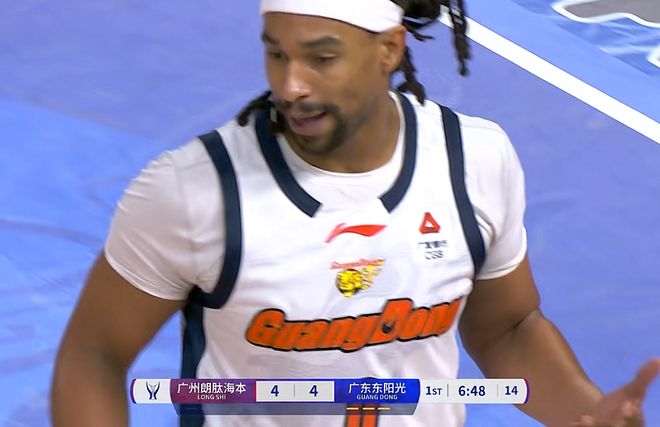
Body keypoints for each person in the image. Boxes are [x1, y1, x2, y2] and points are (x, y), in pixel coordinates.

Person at [51, 0, 659, 426]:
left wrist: (586, 413)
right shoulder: (195, 191)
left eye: (320, 58)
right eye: (277, 54)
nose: (291, 84)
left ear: (389, 49)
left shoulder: (473, 159)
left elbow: (507, 328)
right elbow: (94, 355)